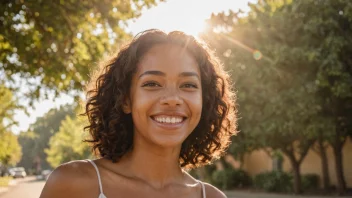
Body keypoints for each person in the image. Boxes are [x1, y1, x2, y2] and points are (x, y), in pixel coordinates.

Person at [40, 29, 237, 198]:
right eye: (152, 84)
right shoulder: (73, 184)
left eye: (188, 85)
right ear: (126, 99)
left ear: (205, 100)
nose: (172, 98)